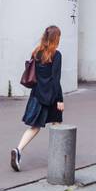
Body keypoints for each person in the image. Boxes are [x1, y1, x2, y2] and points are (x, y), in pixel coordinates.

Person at [11, 25, 64, 172]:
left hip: (37, 96)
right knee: (57, 124)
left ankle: (18, 149)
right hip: (52, 96)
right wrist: (60, 99)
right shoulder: (56, 55)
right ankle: (58, 158)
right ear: (55, 38)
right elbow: (55, 79)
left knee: (34, 127)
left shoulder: (37, 53)